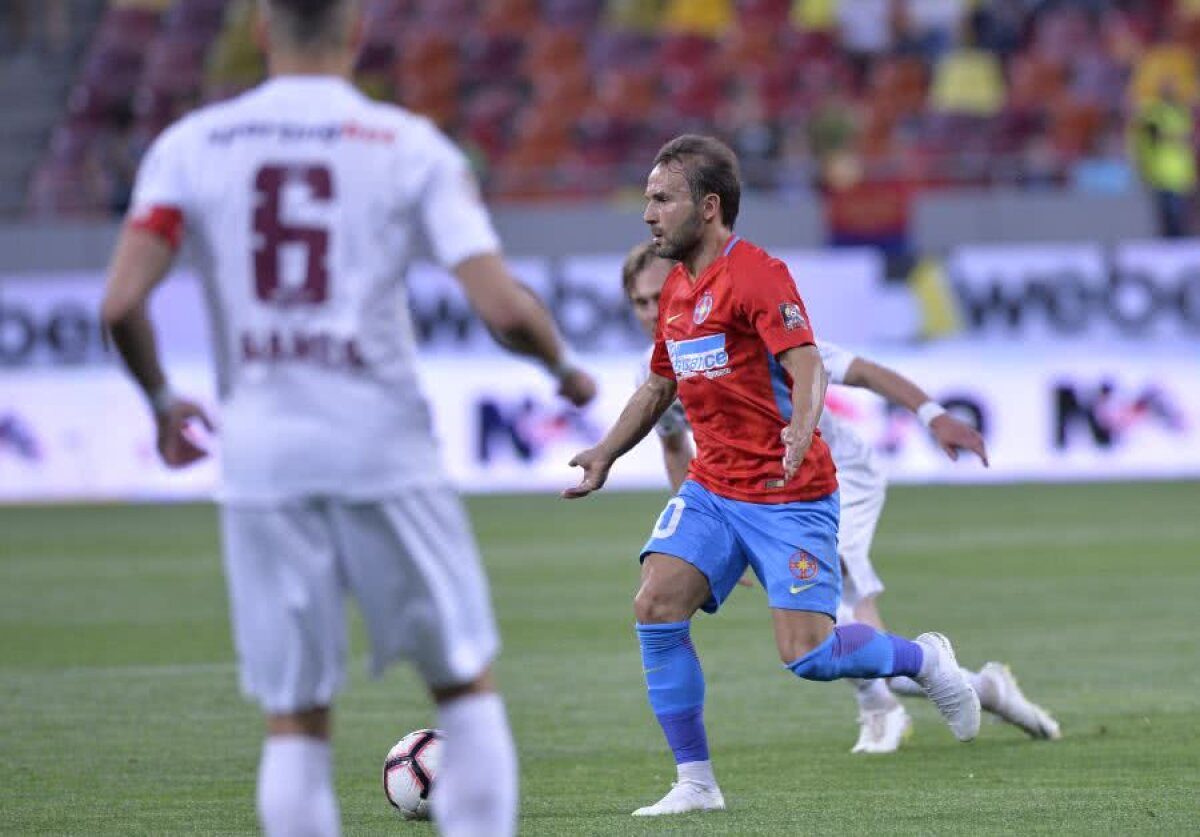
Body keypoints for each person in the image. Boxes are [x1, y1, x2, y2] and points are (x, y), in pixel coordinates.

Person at [99, 2, 596, 836]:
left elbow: (120, 304)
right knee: (464, 690)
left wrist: (160, 400)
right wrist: (564, 368)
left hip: (262, 461)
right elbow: (503, 307)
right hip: (383, 449)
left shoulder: (190, 147)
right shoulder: (406, 146)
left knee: (295, 717)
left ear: (262, 31)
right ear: (355, 32)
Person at [563, 134, 981, 818]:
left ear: (709, 205)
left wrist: (800, 425)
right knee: (655, 604)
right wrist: (606, 451)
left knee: (808, 656)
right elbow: (659, 386)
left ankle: (924, 660)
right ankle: (696, 781)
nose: (648, 214)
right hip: (713, 488)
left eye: (662, 199)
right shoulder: (674, 288)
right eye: (647, 198)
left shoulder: (757, 273)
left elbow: (808, 362)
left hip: (790, 494)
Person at [622, 241, 1062, 755]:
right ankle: (982, 688)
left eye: (658, 296)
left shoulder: (750, 328)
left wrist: (933, 416)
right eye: (639, 303)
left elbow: (867, 373)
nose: (652, 311)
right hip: (759, 496)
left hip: (835, 477)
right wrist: (712, 535)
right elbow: (676, 449)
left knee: (830, 631)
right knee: (841, 640)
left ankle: (882, 706)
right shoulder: (658, 369)